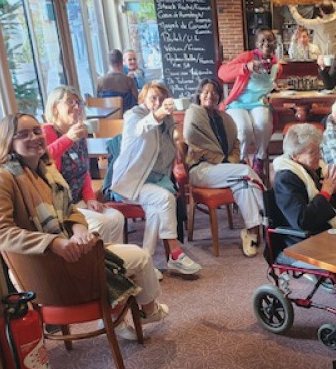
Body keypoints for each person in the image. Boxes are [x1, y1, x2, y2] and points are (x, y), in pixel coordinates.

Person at [0, 112, 168, 340]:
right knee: (140, 258)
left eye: (36, 131)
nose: (34, 137)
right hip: (42, 269)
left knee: (126, 252)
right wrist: (54, 243)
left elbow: (69, 209)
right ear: (7, 141)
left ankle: (127, 312)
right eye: (23, 134)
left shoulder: (46, 169)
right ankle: (148, 312)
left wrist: (80, 230)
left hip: (67, 253)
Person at [110, 82, 201, 275]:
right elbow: (141, 129)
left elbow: (167, 156)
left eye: (161, 99)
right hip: (130, 183)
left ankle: (145, 262)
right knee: (164, 199)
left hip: (156, 182)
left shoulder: (168, 124)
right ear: (143, 99)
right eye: (153, 98)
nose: (157, 102)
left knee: (155, 210)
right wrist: (159, 114)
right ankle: (175, 254)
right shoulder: (134, 117)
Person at [183, 78, 264, 257]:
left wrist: (232, 160)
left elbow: (236, 142)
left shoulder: (224, 117)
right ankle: (268, 211)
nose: (210, 96)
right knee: (245, 171)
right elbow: (196, 144)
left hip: (226, 169)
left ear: (219, 96)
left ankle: (252, 232)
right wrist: (224, 160)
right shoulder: (193, 115)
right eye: (206, 92)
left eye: (214, 92)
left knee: (243, 184)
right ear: (199, 94)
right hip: (201, 170)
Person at [42, 85, 125, 244]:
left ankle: (115, 260)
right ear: (55, 108)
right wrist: (68, 139)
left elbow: (83, 171)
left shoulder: (80, 134)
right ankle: (97, 262)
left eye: (78, 103)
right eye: (70, 102)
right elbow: (44, 160)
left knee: (117, 217)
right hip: (61, 206)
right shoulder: (47, 132)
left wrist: (91, 199)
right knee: (102, 223)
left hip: (79, 200)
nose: (77, 107)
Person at [273, 123, 336, 267]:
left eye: (319, 150)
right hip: (303, 241)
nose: (320, 156)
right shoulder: (286, 179)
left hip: (326, 231)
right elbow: (302, 220)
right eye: (313, 153)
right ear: (296, 156)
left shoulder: (316, 169)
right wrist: (325, 193)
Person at [217, 28, 282, 178]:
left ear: (276, 43)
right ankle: (240, 160)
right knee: (244, 130)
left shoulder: (276, 65)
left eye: (270, 40)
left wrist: (271, 92)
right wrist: (245, 66)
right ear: (256, 43)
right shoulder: (247, 56)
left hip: (259, 102)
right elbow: (222, 73)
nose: (266, 44)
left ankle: (259, 159)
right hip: (238, 102)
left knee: (263, 123)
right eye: (263, 40)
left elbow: (270, 84)